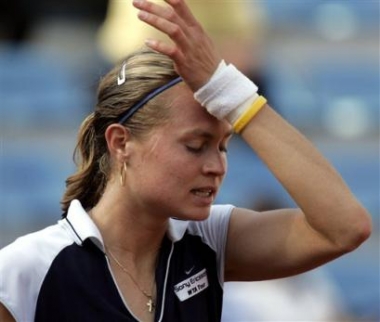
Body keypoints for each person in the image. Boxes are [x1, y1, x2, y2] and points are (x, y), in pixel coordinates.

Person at [0, 0, 372, 321]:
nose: (217, 166)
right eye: (196, 146)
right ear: (120, 142)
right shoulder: (24, 271)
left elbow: (344, 227)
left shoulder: (209, 241)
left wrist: (232, 94)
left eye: (224, 146)